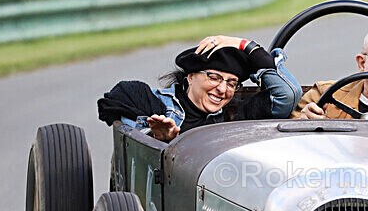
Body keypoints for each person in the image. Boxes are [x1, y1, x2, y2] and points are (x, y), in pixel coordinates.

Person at [98, 35, 301, 141]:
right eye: (214, 77)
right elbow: (117, 109)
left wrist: (243, 45)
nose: (222, 89)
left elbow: (288, 93)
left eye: (231, 83)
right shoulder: (154, 103)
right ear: (191, 76)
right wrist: (162, 140)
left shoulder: (237, 115)